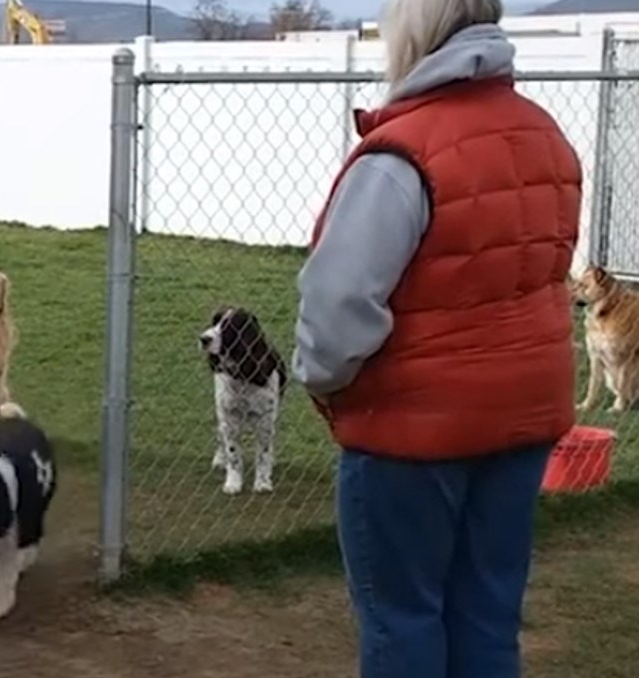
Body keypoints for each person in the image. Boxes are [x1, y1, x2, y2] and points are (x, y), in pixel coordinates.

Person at [291, 0, 582, 675]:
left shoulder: (401, 153)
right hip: (522, 420)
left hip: (411, 434)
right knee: (488, 616)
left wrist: (325, 382)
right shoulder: (544, 134)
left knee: (402, 621)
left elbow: (336, 309)